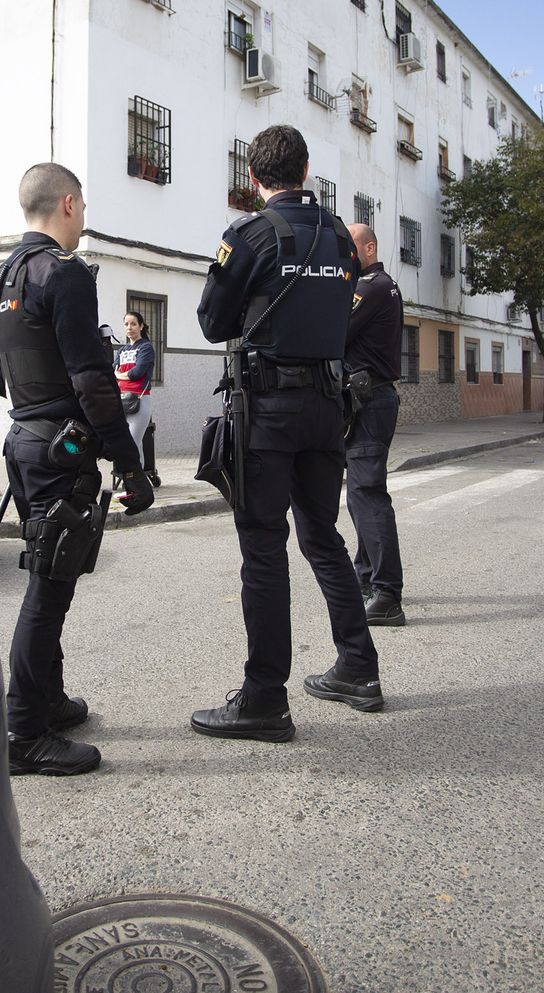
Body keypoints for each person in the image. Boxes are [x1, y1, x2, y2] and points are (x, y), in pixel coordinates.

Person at [189, 124, 385, 743]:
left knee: (264, 550)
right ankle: (359, 667)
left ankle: (265, 699)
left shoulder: (247, 235)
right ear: (304, 170)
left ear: (254, 178)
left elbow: (212, 322)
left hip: (269, 414)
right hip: (328, 410)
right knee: (323, 537)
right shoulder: (339, 237)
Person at [0, 162, 154, 776]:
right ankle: (23, 732)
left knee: (48, 572)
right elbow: (93, 382)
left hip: (25, 442)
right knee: (48, 590)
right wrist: (130, 465)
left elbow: (4, 376)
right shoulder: (65, 274)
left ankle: (48, 702)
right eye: (81, 207)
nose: (84, 218)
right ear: (66, 203)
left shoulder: (5, 273)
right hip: (61, 448)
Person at [344, 223, 406, 628]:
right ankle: (366, 576)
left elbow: (336, 327)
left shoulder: (372, 286)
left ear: (368, 247)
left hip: (371, 401)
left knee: (366, 492)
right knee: (359, 494)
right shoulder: (377, 284)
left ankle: (386, 593)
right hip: (367, 400)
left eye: (349, 247)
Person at [113, 309, 156, 487]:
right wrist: (122, 374)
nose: (129, 327)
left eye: (133, 324)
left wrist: (120, 375)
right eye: (126, 324)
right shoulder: (122, 350)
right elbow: (111, 371)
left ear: (141, 326)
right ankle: (132, 480)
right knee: (127, 443)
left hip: (139, 399)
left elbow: (137, 373)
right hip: (120, 400)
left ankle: (135, 482)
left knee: (133, 441)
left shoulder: (145, 347)